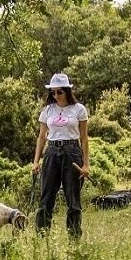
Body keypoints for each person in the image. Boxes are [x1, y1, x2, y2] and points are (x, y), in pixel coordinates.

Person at [32, 73, 90, 238]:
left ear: (67, 91)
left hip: (72, 152)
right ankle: (42, 239)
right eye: (53, 92)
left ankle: (74, 241)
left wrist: (86, 165)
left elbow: (84, 138)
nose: (55, 95)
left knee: (73, 201)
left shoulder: (79, 109)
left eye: (59, 92)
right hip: (51, 152)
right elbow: (41, 137)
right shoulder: (47, 110)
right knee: (46, 199)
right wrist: (36, 162)